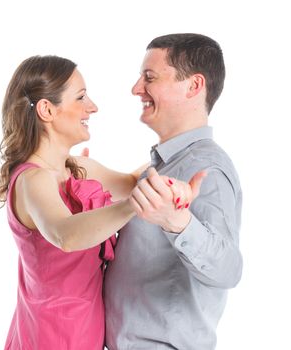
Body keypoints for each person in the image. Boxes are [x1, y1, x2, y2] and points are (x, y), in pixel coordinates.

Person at [0, 55, 204, 350]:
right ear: (46, 110)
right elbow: (65, 234)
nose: (92, 107)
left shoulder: (77, 169)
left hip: (86, 333)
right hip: (49, 338)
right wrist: (135, 203)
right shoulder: (32, 181)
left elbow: (133, 181)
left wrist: (184, 143)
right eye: (80, 97)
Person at [104, 33, 243, 350]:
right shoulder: (163, 166)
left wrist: (177, 222)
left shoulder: (208, 169)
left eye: (149, 78)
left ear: (193, 86)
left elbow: (229, 269)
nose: (136, 89)